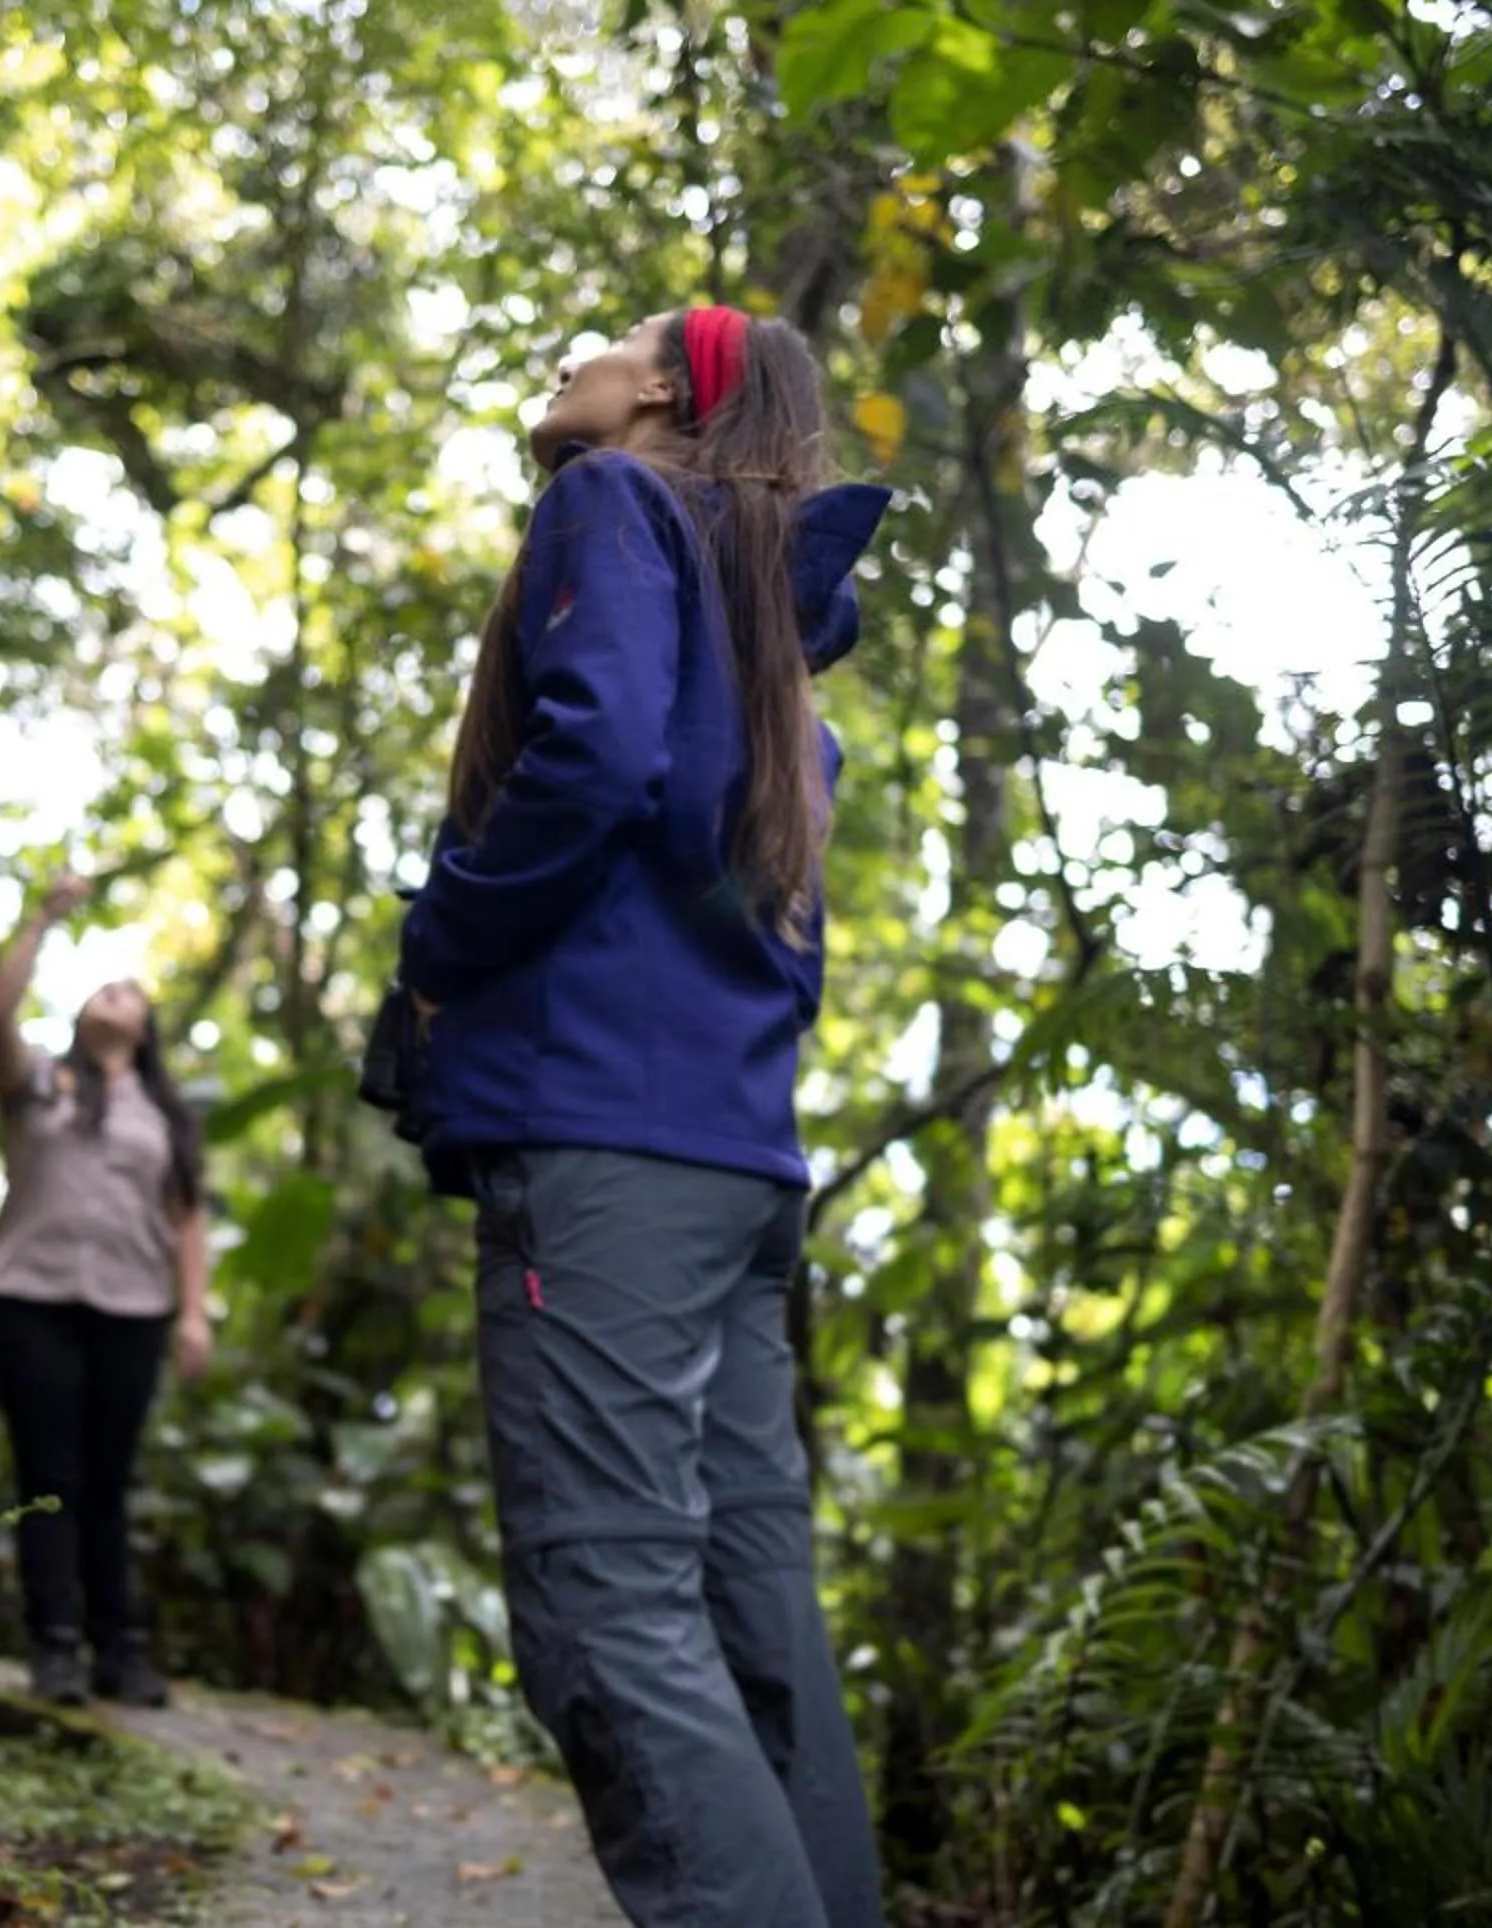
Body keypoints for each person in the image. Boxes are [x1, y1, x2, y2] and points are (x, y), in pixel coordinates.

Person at [391, 306, 893, 1927]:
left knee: (605, 1603)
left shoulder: (611, 501)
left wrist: (441, 942)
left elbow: (594, 756)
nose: (576, 354)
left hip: (607, 1149)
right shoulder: (757, 623)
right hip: (736, 1166)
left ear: (669, 387)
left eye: (609, 337)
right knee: (755, 1613)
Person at [0, 871, 212, 1707]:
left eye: (128, 991)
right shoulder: (38, 1084)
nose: (113, 994)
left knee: (109, 1479)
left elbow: (187, 1220)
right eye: (101, 988)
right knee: (49, 1471)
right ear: (78, 1017)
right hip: (25, 1301)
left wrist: (193, 1316)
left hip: (132, 1310)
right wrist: (43, 917)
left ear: (146, 1027)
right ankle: (56, 1647)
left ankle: (122, 1651)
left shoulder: (166, 1116)